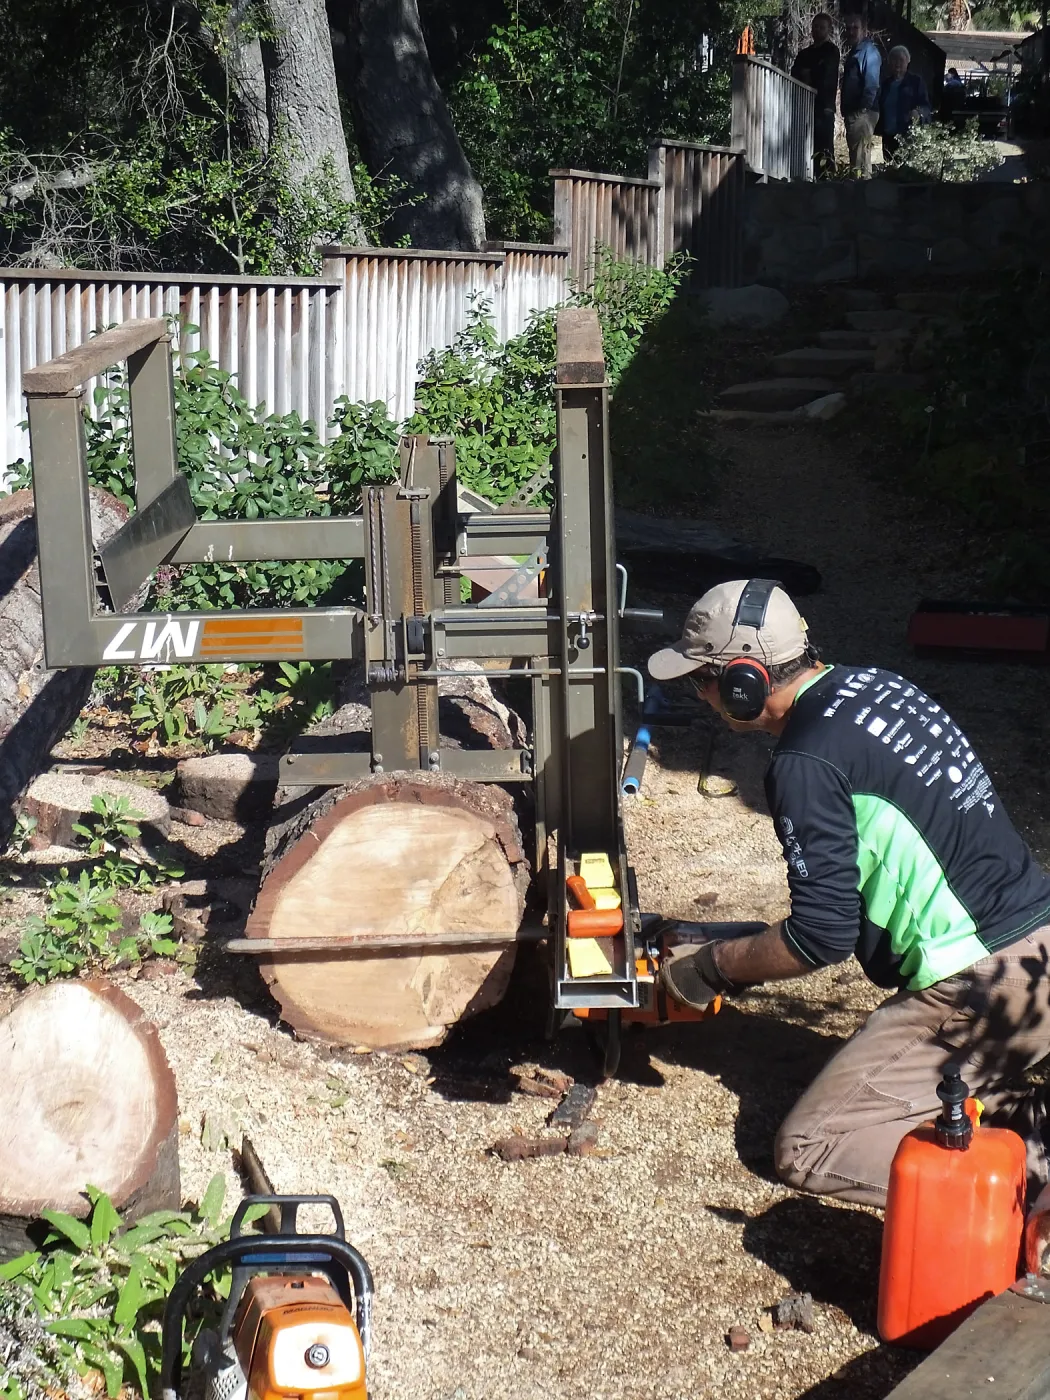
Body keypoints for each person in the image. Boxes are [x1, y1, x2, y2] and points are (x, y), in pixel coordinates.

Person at [647, 578, 1050, 1209]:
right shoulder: (881, 685)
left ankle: (1026, 1191)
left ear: (743, 681)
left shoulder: (806, 761)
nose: (702, 696)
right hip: (1037, 950)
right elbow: (855, 891)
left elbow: (822, 935)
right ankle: (1024, 1125)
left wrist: (710, 970)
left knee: (811, 1148)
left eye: (704, 679)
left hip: (981, 979)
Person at [791, 13, 841, 176]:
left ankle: (827, 180)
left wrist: (810, 74)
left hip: (823, 107)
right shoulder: (804, 54)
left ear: (828, 30)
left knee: (824, 147)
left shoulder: (832, 51)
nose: (817, 30)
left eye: (821, 27)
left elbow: (826, 75)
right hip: (804, 106)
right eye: (815, 26)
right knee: (805, 146)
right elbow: (796, 73)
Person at [840, 13, 882, 177]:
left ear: (864, 31)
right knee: (858, 158)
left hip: (863, 113)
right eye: (848, 28)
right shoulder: (855, 52)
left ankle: (860, 197)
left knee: (860, 161)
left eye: (855, 28)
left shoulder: (868, 52)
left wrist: (861, 111)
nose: (851, 31)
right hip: (855, 112)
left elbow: (872, 84)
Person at [879, 45, 932, 159]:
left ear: (908, 62)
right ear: (889, 62)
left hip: (906, 136)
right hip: (888, 135)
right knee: (889, 168)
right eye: (894, 59)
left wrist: (917, 112)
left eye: (901, 60)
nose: (897, 63)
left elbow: (926, 106)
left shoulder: (916, 82)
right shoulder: (885, 84)